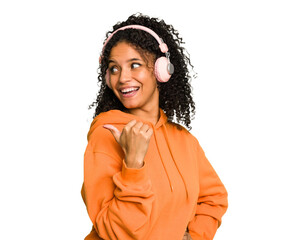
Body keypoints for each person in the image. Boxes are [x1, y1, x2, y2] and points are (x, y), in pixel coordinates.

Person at [81, 13, 228, 240]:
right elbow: (114, 232)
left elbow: (214, 198)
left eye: (135, 65)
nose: (122, 78)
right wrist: (133, 165)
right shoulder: (108, 133)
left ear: (162, 70)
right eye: (114, 68)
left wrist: (195, 236)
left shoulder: (184, 141)